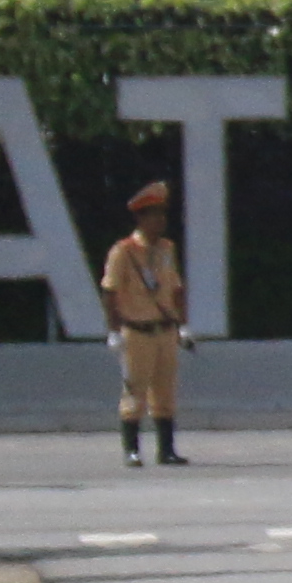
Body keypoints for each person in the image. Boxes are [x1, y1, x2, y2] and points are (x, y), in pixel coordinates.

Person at [102, 181, 188, 465]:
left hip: (164, 329)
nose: (160, 220)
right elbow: (110, 292)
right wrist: (114, 331)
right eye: (153, 214)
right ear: (140, 218)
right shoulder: (124, 252)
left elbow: (175, 289)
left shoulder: (166, 248)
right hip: (137, 330)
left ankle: (166, 449)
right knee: (134, 390)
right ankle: (132, 449)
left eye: (162, 214)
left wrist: (182, 326)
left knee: (165, 390)